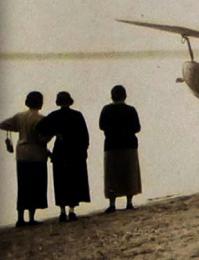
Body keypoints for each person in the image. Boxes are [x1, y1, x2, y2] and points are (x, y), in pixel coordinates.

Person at [37, 92, 90, 222]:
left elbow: (40, 127)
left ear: (58, 102)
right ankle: (72, 210)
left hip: (60, 151)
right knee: (73, 181)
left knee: (61, 182)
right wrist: (83, 151)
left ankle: (62, 211)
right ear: (70, 101)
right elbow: (85, 136)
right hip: (75, 152)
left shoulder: (54, 116)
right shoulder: (77, 115)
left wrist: (54, 133)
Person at [1, 91, 50, 227]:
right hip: (37, 154)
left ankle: (20, 218)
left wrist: (13, 131)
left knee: (23, 186)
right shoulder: (41, 119)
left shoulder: (19, 117)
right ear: (40, 103)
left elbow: (3, 124)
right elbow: (42, 139)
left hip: (22, 154)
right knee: (35, 186)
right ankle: (31, 217)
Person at [99, 85, 142, 212]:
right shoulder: (131, 110)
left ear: (112, 96)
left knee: (112, 176)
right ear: (125, 96)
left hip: (112, 145)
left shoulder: (106, 110)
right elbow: (137, 128)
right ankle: (129, 202)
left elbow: (101, 126)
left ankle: (112, 204)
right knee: (129, 173)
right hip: (129, 145)